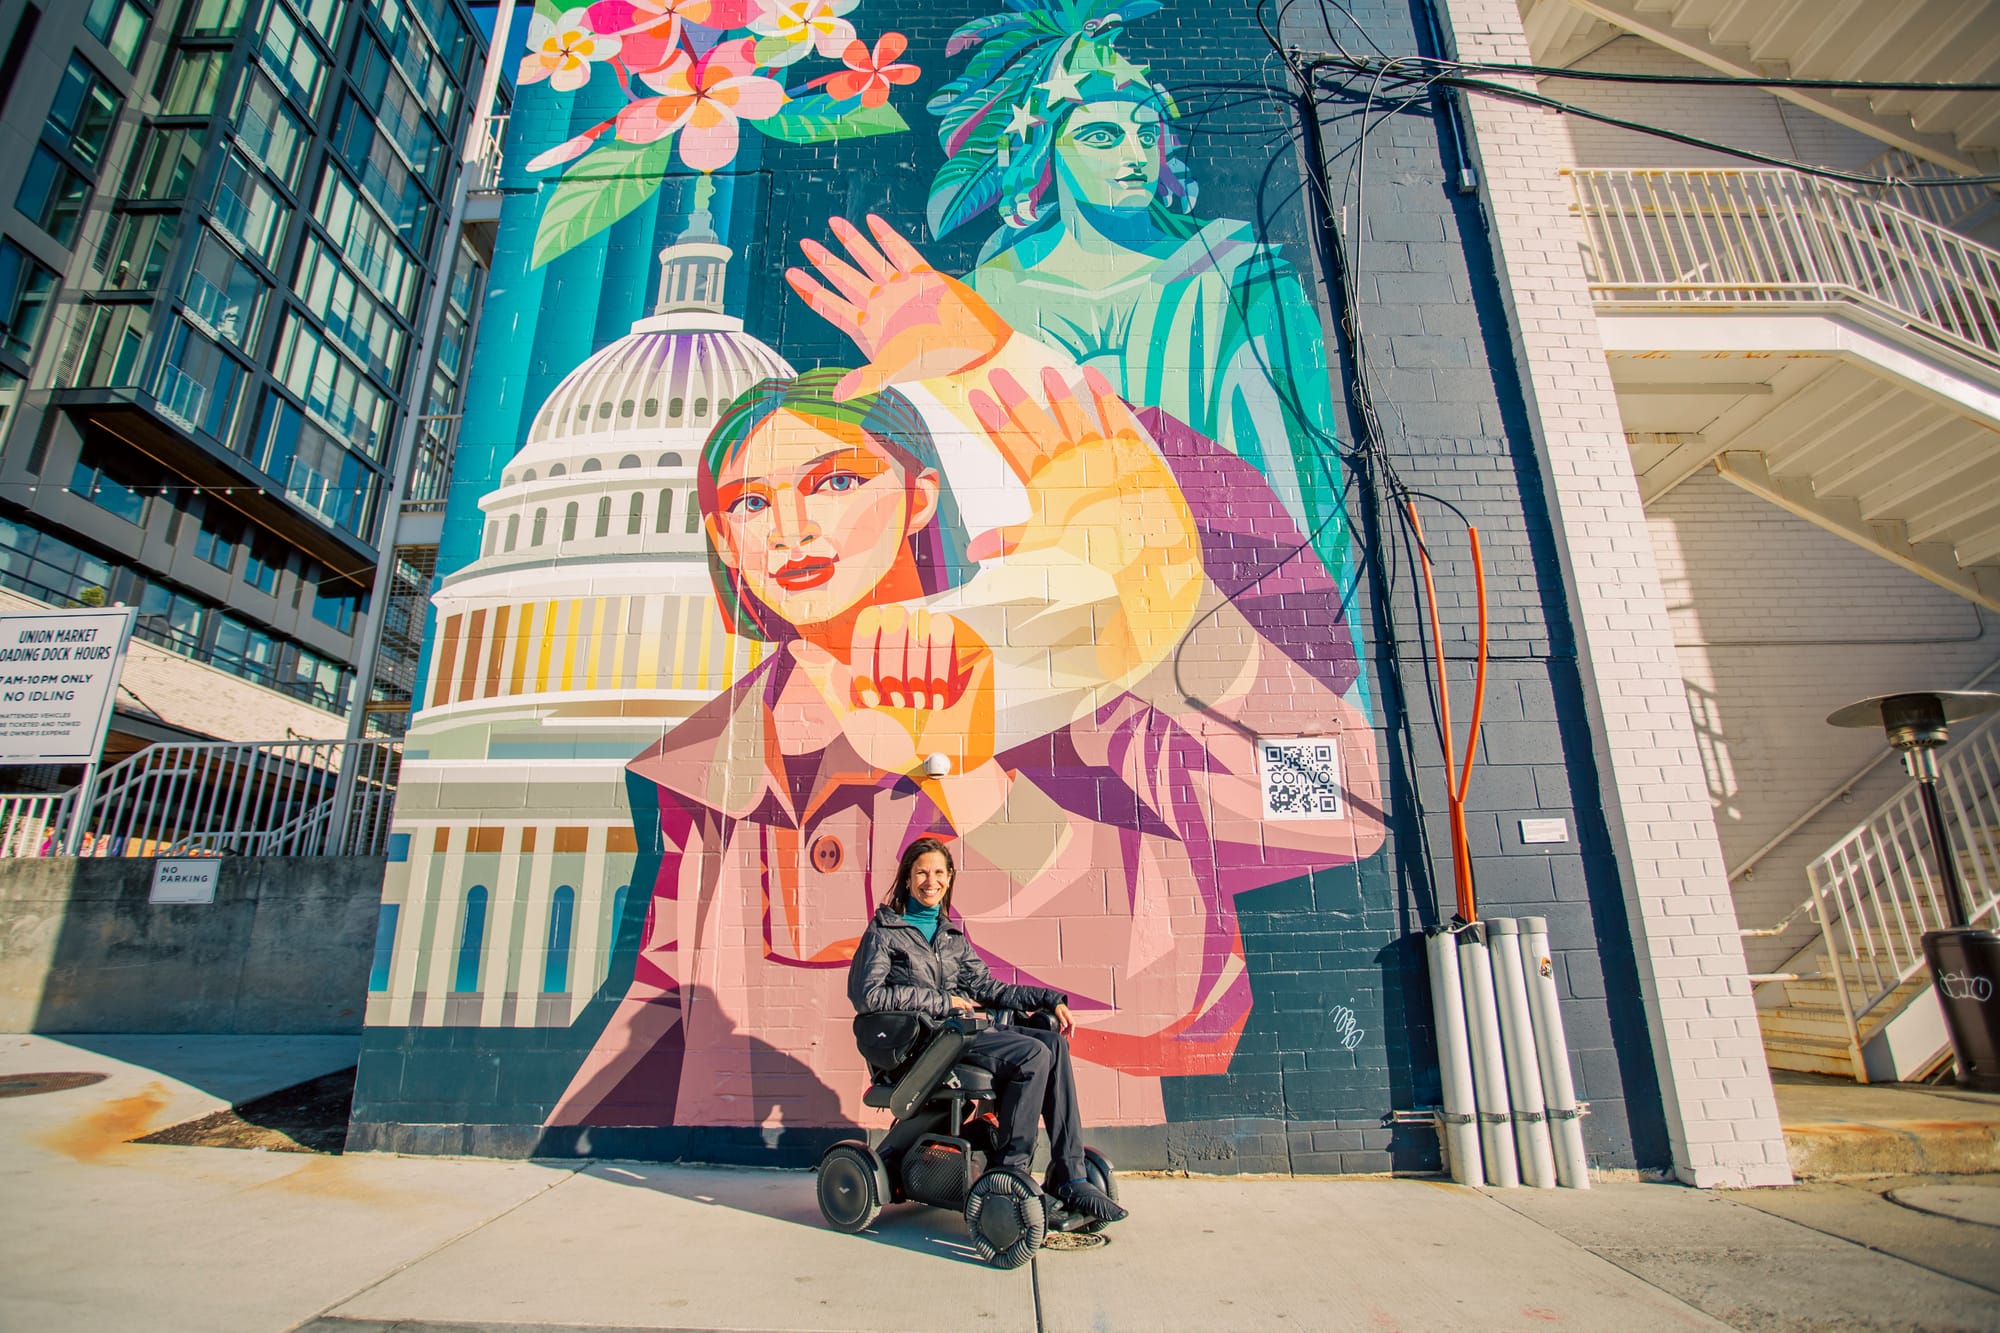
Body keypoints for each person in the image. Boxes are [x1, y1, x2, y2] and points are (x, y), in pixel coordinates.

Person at [546, 215, 1381, 1135]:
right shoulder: (716, 766)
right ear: (725, 545)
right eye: (751, 502)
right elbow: (666, 1000)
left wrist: (1162, 605)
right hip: (752, 1195)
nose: (790, 528)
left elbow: (1336, 802)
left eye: (834, 481)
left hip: (1010, 1160)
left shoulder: (1066, 680)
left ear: (918, 495)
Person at [926, 0, 1351, 583]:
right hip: (1044, 609)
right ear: (1045, 152)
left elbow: (1303, 489)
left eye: (1146, 133)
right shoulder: (983, 301)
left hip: (1221, 608)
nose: (1134, 156)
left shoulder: (1238, 280)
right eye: (1102, 136)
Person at [849, 835, 1125, 1222]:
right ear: (907, 879)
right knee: (1032, 1054)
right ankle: (1009, 1172)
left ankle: (1069, 1174)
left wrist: (1049, 1000)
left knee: (1053, 1044)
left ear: (949, 879)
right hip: (923, 1045)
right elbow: (868, 996)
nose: (932, 881)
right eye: (922, 872)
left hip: (958, 1036)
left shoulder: (950, 936)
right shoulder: (884, 932)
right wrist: (943, 1003)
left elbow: (989, 989)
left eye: (940, 873)